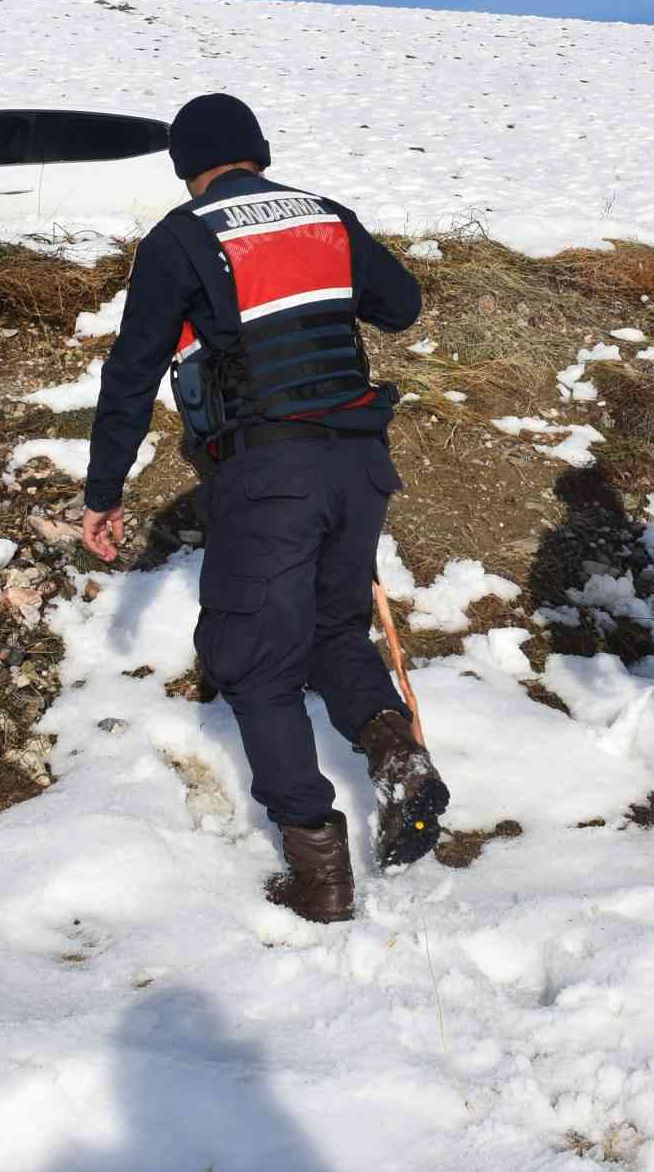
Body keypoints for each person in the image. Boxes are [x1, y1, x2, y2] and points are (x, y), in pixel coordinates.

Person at [78, 92, 442, 923]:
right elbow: (402, 304)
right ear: (259, 151)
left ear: (186, 166)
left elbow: (132, 373)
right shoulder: (326, 217)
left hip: (268, 472)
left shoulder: (180, 238)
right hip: (359, 464)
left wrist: (104, 492)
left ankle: (319, 870)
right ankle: (394, 751)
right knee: (332, 632)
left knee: (253, 658)